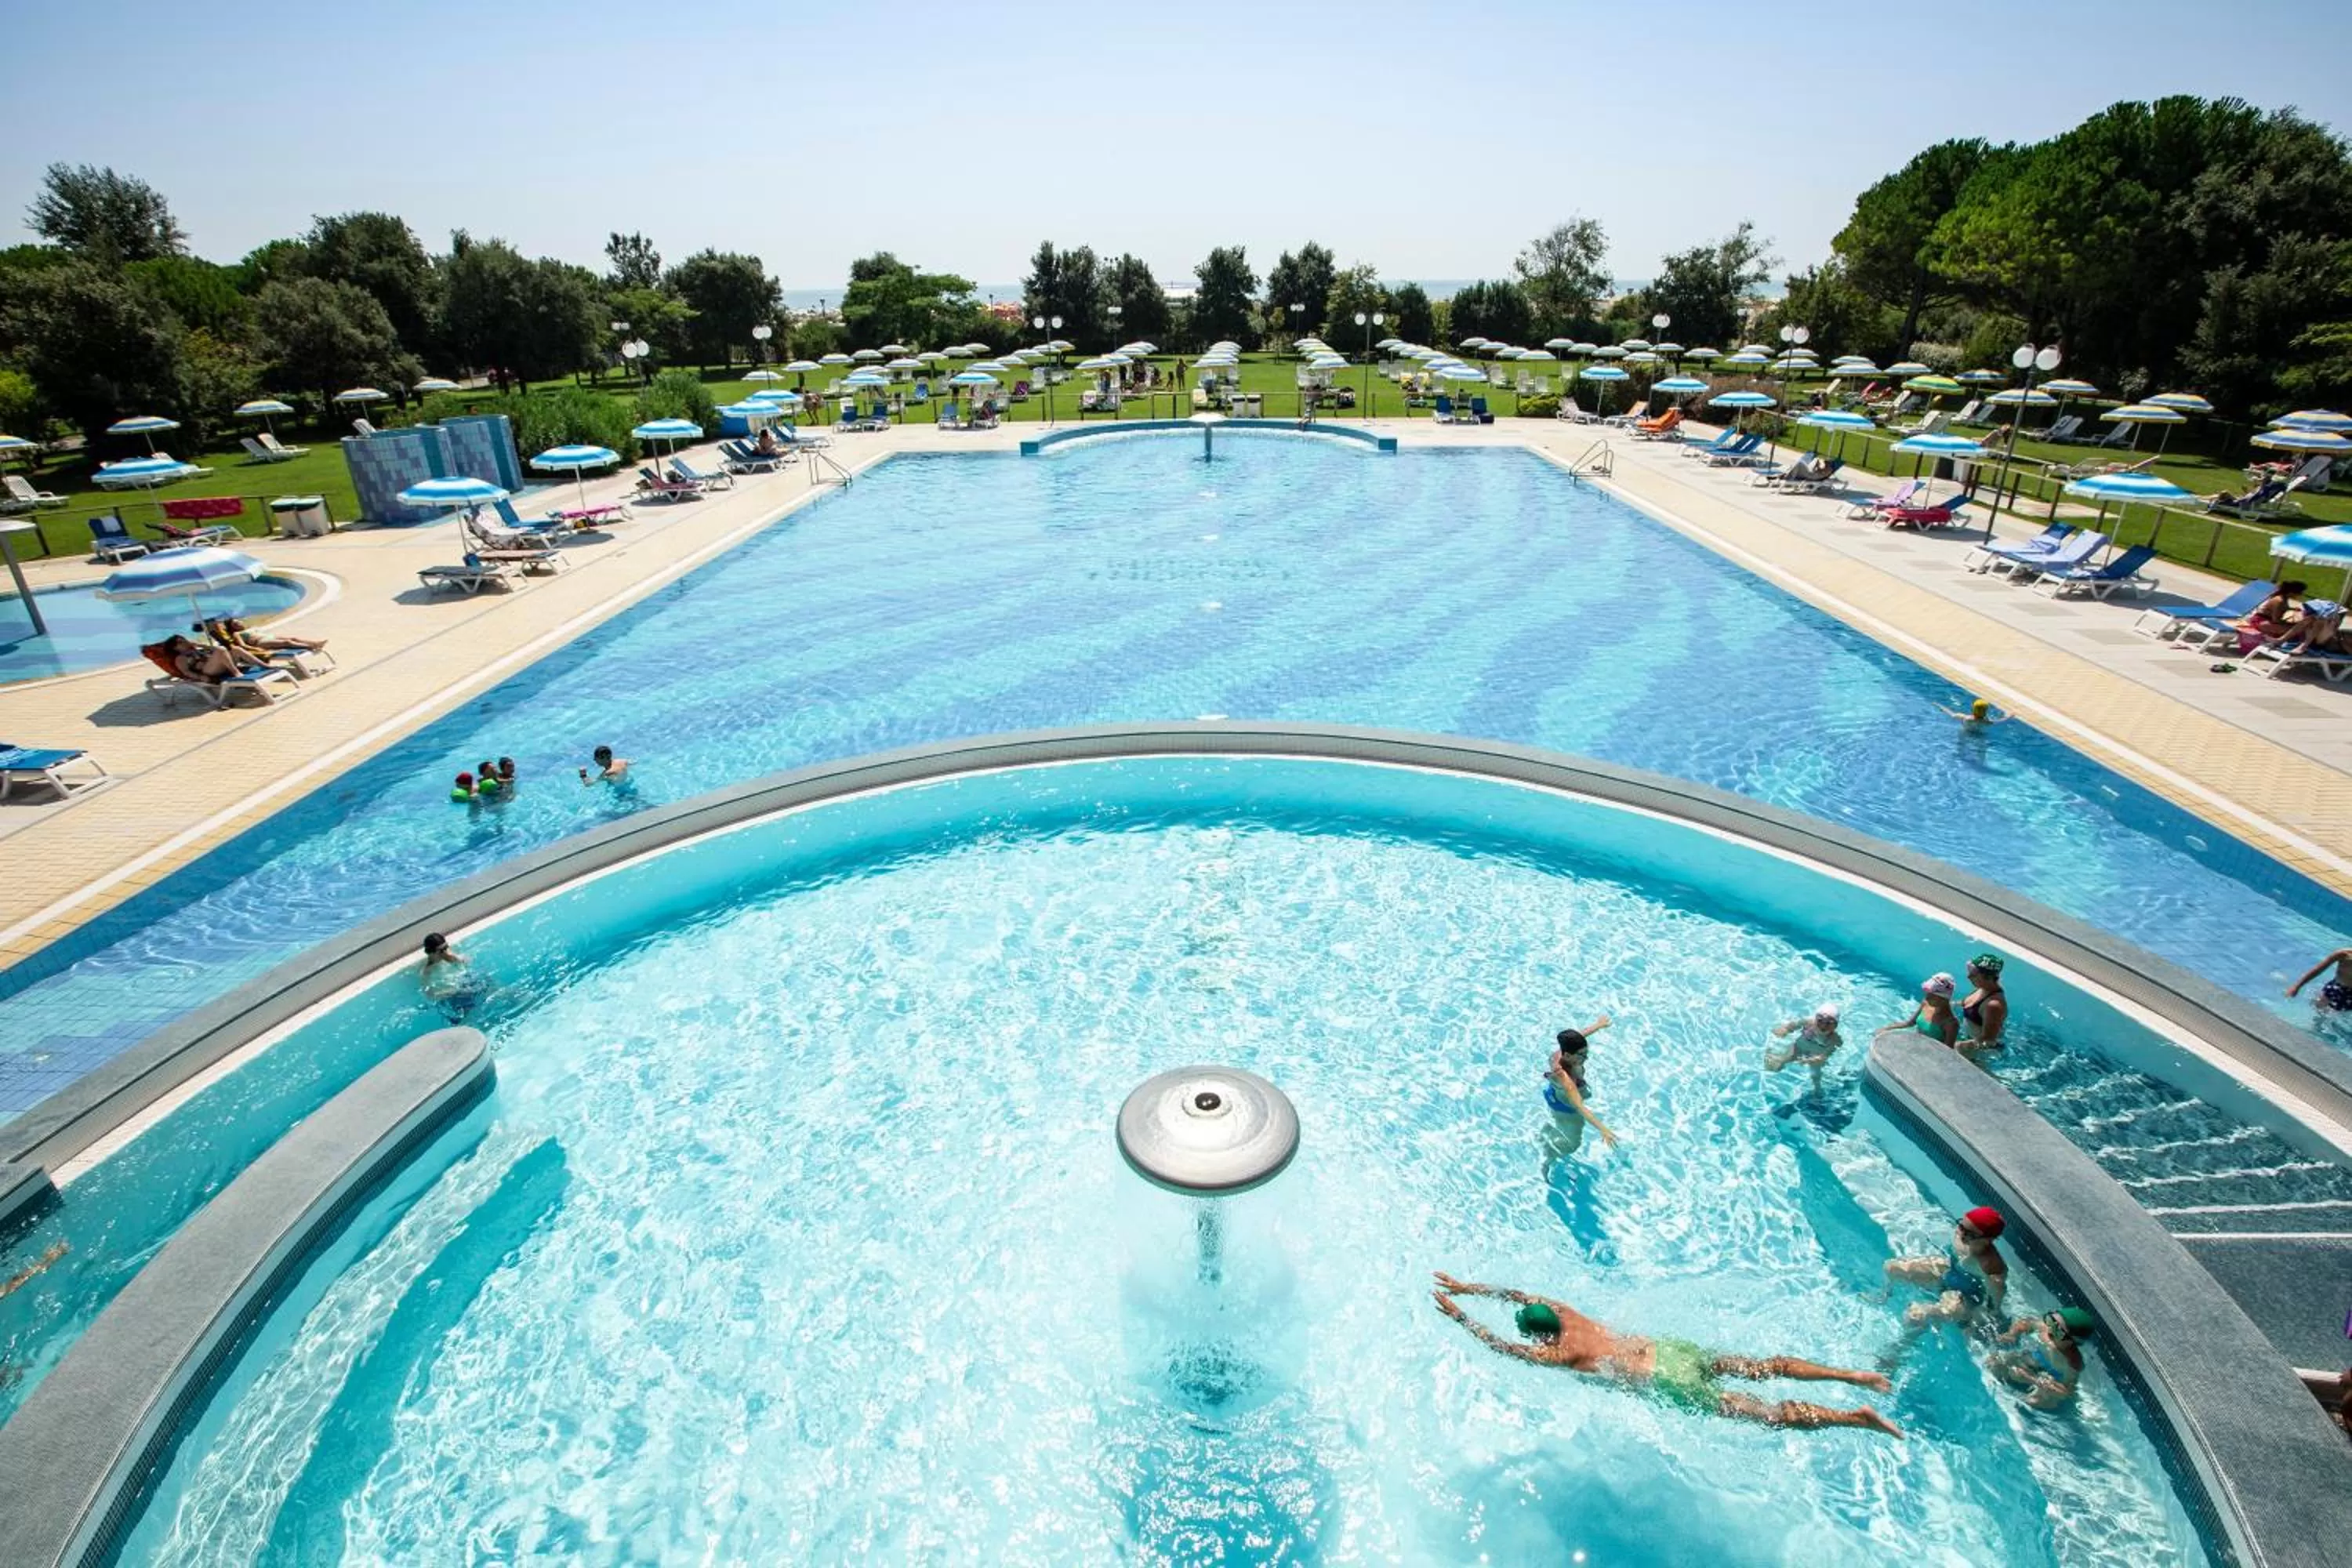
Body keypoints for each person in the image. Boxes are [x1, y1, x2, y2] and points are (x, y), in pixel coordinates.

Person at [1430, 1272, 1901, 1437]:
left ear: (1542, 1337)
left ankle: (1854, 1418)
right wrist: (1468, 1287)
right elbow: (1517, 1294)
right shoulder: (1565, 1313)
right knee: (1765, 1366)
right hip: (1669, 1350)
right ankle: (1851, 1376)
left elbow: (1501, 1346)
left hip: (1666, 1379)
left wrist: (1460, 1316)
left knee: (1768, 1413)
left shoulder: (1561, 1354)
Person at [1886, 1205, 2009, 1327]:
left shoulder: (1990, 1265)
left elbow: (1997, 1295)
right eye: (1961, 1227)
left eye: (1970, 1235)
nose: (1961, 1234)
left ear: (1989, 1239)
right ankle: (1885, 1296)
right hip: (1947, 1272)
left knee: (1917, 1316)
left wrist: (1992, 1313)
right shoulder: (1960, 1236)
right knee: (1892, 1267)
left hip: (1966, 1296)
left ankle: (1905, 1341)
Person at [1989, 1306, 2097, 1410]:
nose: (2050, 1330)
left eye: (2057, 1331)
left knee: (2039, 1402)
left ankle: (2016, 1408)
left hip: (2051, 1379)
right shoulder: (2046, 1330)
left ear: (2072, 1343)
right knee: (1995, 1361)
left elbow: (2067, 1392)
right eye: (2051, 1323)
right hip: (2031, 1361)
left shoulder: (2072, 1363)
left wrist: (2035, 1381)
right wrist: (2012, 1334)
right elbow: (2025, 1323)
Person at [1543, 1016, 1618, 1150]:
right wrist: (1604, 1129)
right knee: (1573, 1145)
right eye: (1582, 1055)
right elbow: (1580, 1107)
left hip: (1555, 1093)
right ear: (1567, 1056)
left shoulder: (1560, 1053)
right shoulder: (1566, 1080)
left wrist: (1598, 1025)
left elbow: (1581, 1036)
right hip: (1566, 1108)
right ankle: (1548, 1149)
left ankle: (1548, 1133)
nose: (1586, 1058)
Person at [1766, 1003, 1844, 1087]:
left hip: (1815, 1056)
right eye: (1820, 1021)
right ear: (1815, 1019)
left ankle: (1817, 1092)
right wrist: (1784, 1030)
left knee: (1816, 1077)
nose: (1823, 1026)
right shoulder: (1808, 1023)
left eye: (1829, 1023)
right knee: (1778, 1064)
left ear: (1836, 1025)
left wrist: (1811, 1060)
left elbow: (1824, 1057)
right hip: (1798, 1048)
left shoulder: (1834, 1039)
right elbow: (1791, 1026)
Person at [1885, 974, 1960, 1049]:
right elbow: (1909, 1023)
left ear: (1944, 999)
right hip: (1916, 1046)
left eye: (1932, 996)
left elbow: (1947, 1052)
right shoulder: (1926, 1003)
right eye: (1927, 994)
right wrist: (1886, 1029)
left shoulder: (1951, 1023)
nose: (1927, 998)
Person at [1958, 954, 2009, 1058]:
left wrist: (1960, 1046)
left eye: (1973, 974)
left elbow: (1988, 1041)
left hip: (1979, 1053)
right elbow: (1964, 1004)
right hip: (1969, 1039)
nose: (1968, 977)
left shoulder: (1994, 1005)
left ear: (1988, 977)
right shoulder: (1982, 988)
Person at [2288, 946, 2352, 1011]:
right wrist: (2297, 986)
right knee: (2320, 1012)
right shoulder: (2343, 954)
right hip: (2336, 989)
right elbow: (2317, 970)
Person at [1939, 697, 2009, 733]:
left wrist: (1942, 707)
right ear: (1985, 712)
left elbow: (1953, 715)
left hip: (1965, 733)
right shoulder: (1986, 722)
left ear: (1973, 709)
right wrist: (2009, 716)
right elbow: (2000, 721)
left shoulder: (1966, 718)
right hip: (1979, 736)